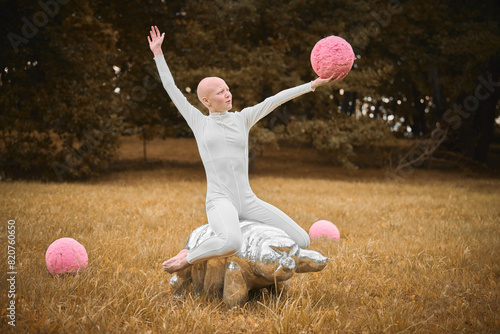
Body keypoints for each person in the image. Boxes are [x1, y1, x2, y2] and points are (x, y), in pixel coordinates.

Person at [148, 26, 347, 273]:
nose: (228, 94)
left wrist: (313, 84)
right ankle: (188, 255)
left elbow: (276, 99)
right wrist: (158, 53)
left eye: (227, 88)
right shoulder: (199, 122)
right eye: (220, 92)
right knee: (230, 242)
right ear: (207, 101)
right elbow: (171, 88)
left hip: (247, 200)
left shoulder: (243, 118)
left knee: (302, 239)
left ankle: (260, 253)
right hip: (220, 201)